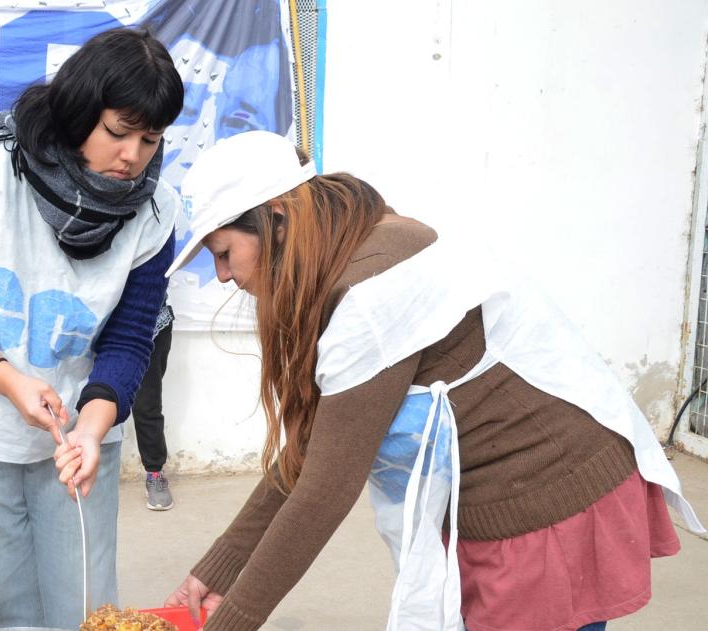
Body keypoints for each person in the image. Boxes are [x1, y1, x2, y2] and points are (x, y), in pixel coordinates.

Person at [163, 131, 703, 631]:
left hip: (547, 495)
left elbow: (324, 491)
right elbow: (313, 449)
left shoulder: (371, 292)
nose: (224, 276)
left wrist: (232, 621)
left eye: (224, 253)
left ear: (276, 217)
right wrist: (219, 569)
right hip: (509, 487)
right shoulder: (365, 237)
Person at [0, 26, 181, 630]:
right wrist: (8, 379)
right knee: (1, 606)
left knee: (85, 606)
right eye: (118, 130)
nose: (133, 155)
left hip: (80, 419)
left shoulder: (156, 212)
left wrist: (92, 424)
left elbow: (131, 337)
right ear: (80, 109)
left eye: (150, 137)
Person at [134, 298, 174, 510]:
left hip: (150, 323)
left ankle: (155, 473)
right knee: (89, 397)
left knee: (146, 403)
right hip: (100, 318)